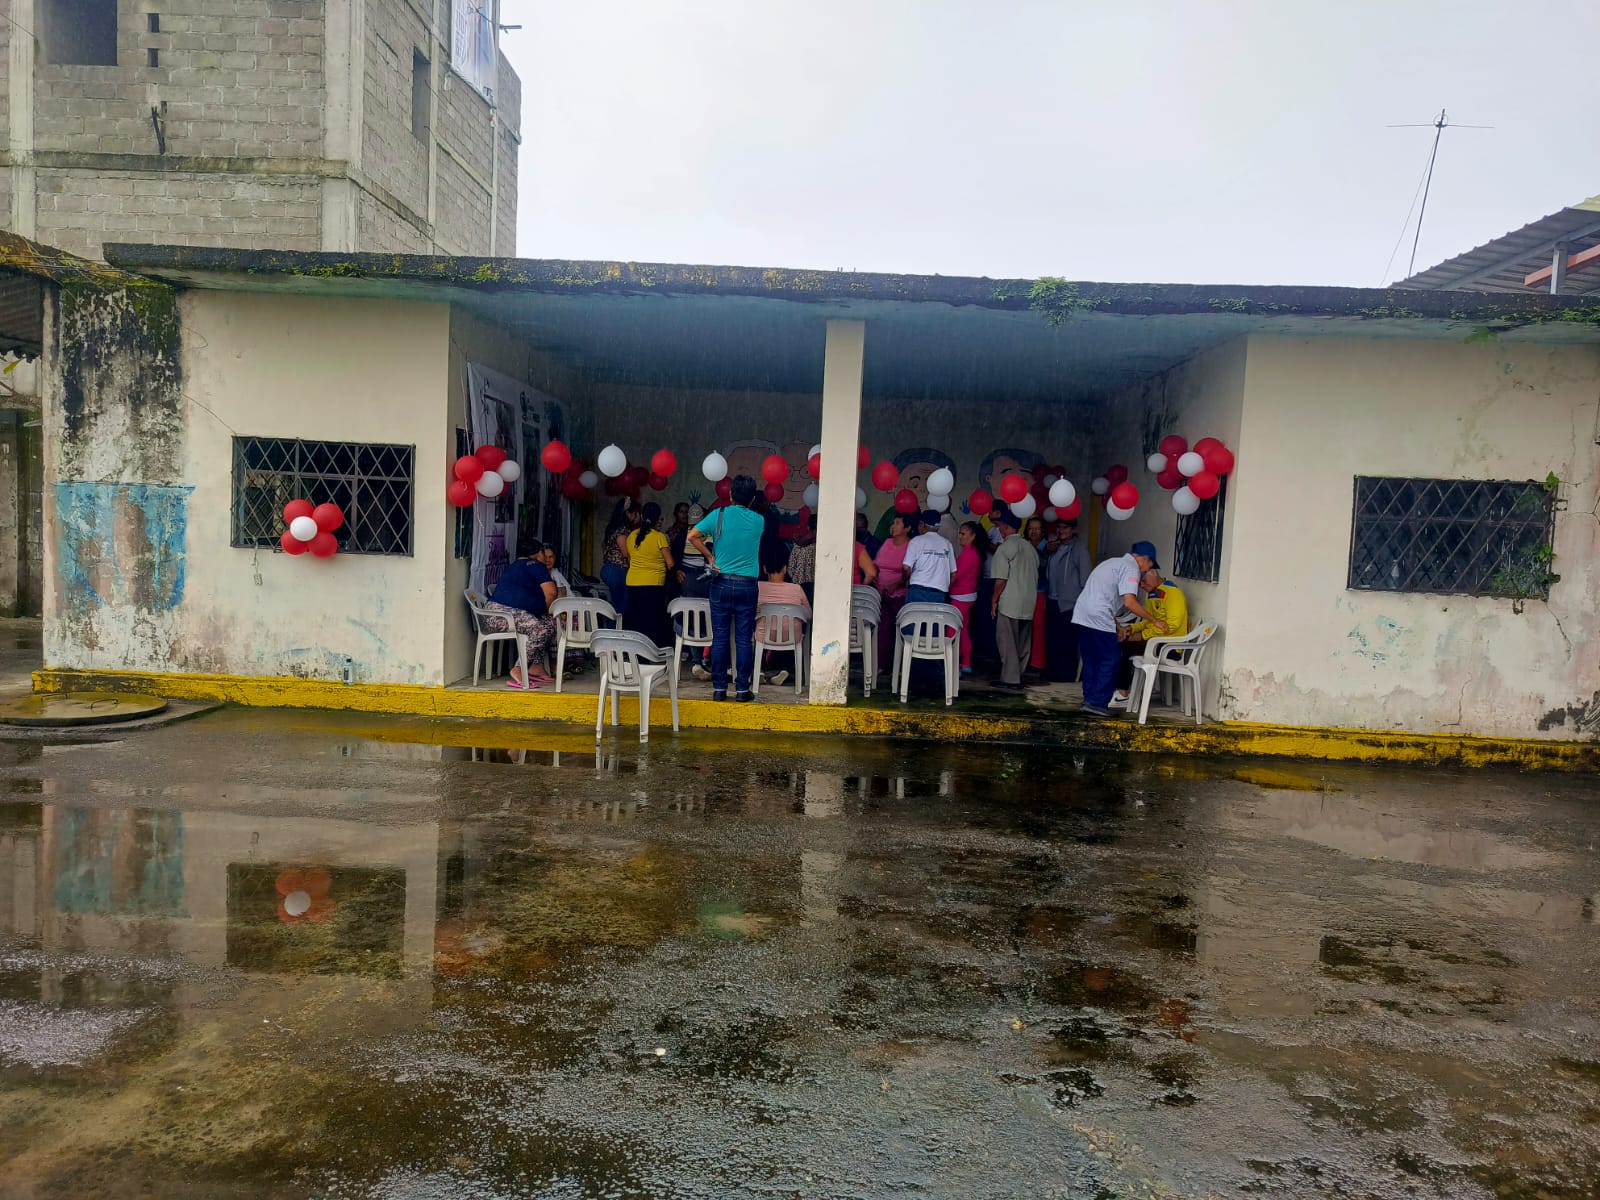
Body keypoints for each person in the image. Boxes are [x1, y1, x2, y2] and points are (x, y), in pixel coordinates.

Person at [688, 475, 765, 701]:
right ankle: (742, 690)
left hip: (721, 581)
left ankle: (719, 689)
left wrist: (710, 557)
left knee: (720, 637)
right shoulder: (759, 520)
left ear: (730, 494)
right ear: (752, 499)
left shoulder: (718, 515)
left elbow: (692, 536)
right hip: (747, 585)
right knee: (743, 639)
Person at [1073, 540, 1167, 717]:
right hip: (1099, 617)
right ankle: (1098, 703)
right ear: (1144, 559)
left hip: (1082, 615)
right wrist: (1154, 620)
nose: (1145, 572)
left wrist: (1118, 627)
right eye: (1149, 566)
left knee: (1092, 659)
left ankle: (1089, 700)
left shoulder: (1111, 563)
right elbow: (1130, 602)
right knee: (1110, 658)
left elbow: (1102, 598)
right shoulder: (1131, 568)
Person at [483, 539, 558, 690]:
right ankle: (519, 668)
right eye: (544, 553)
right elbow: (551, 592)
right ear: (538, 554)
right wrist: (544, 611)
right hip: (504, 616)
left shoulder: (513, 566)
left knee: (549, 624)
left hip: (490, 616)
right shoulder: (536, 566)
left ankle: (536, 666)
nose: (546, 558)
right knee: (540, 629)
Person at [1113, 567, 1190, 703]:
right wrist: (1131, 628)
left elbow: (1171, 625)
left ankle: (1123, 693)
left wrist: (1143, 635)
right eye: (1139, 583)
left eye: (1144, 581)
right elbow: (1149, 621)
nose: (1142, 586)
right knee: (1121, 642)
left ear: (1153, 575)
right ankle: (1120, 689)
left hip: (1170, 646)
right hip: (1156, 641)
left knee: (1127, 646)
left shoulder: (1173, 593)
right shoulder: (1153, 594)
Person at [988, 508, 1038, 690]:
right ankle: (1018, 675)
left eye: (1000, 526)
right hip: (1028, 601)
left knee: (1007, 640)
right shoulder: (1030, 548)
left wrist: (994, 600)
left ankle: (1010, 679)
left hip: (1010, 600)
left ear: (1006, 527)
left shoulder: (1004, 548)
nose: (999, 529)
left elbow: (1001, 580)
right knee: (1023, 642)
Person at [1044, 518, 1091, 683]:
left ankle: (1066, 675)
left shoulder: (1079, 549)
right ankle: (1053, 673)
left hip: (1070, 603)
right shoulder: (1054, 547)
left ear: (1073, 529)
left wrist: (1082, 602)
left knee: (1066, 641)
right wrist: (1047, 551)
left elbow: (1085, 578)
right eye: (1059, 527)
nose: (1061, 531)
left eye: (1065, 527)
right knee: (1052, 639)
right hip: (1052, 599)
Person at [622, 501, 674, 647]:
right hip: (653, 584)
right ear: (657, 519)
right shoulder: (659, 537)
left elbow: (630, 559)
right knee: (652, 621)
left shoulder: (632, 536)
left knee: (636, 619)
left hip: (633, 583)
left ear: (642, 516)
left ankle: (634, 650)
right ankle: (651, 652)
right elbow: (670, 563)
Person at [755, 562, 811, 687]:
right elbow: (808, 615)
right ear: (785, 569)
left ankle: (760, 669)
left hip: (764, 636)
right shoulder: (797, 589)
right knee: (790, 629)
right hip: (791, 637)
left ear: (764, 569)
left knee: (759, 629)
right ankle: (785, 669)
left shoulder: (758, 587)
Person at [873, 513, 913, 672]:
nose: (893, 526)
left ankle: (901, 666)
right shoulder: (887, 543)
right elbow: (876, 564)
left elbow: (909, 573)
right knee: (883, 629)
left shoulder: (910, 546)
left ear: (907, 528)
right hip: (881, 593)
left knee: (900, 629)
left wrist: (894, 585)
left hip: (899, 595)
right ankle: (881, 665)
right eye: (893, 523)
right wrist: (875, 578)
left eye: (897, 523)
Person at [951, 521, 987, 675]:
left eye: (963, 534)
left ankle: (954, 665)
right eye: (960, 533)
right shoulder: (973, 552)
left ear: (973, 536)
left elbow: (956, 576)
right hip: (967, 596)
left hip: (960, 596)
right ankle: (965, 663)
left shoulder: (969, 554)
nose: (960, 536)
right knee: (963, 630)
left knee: (952, 630)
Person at [903, 509, 956, 605]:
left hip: (917, 590)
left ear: (922, 524)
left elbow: (906, 568)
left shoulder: (916, 541)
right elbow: (953, 574)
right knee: (934, 615)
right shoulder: (947, 544)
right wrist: (943, 587)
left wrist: (905, 580)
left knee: (914, 614)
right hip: (939, 593)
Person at [601, 499, 638, 618]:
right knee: (619, 608)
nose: (636, 516)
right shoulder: (622, 530)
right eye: (634, 513)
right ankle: (614, 629)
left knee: (616, 605)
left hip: (609, 568)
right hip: (617, 570)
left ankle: (613, 627)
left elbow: (604, 547)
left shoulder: (612, 528)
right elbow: (626, 553)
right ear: (628, 513)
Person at [1025, 516, 1049, 673]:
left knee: (1038, 629)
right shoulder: (1024, 545)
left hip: (1040, 592)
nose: (1033, 532)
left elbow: (1044, 565)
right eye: (1031, 528)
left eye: (1037, 529)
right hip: (1025, 592)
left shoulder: (1048, 547)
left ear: (1043, 531)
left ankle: (1037, 663)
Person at [787, 514, 817, 604]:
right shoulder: (824, 547)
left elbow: (790, 570)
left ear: (808, 527)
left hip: (800, 588)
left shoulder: (798, 547)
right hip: (819, 586)